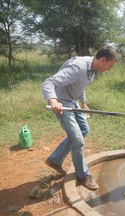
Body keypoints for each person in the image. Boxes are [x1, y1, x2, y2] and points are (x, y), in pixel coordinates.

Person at [42, 46, 118, 190]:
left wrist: (83, 102)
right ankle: (83, 176)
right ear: (103, 60)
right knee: (77, 140)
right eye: (110, 65)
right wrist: (52, 100)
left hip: (72, 101)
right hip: (62, 102)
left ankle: (55, 159)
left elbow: (80, 87)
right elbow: (49, 82)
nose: (110, 69)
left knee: (84, 129)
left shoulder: (92, 70)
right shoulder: (78, 67)